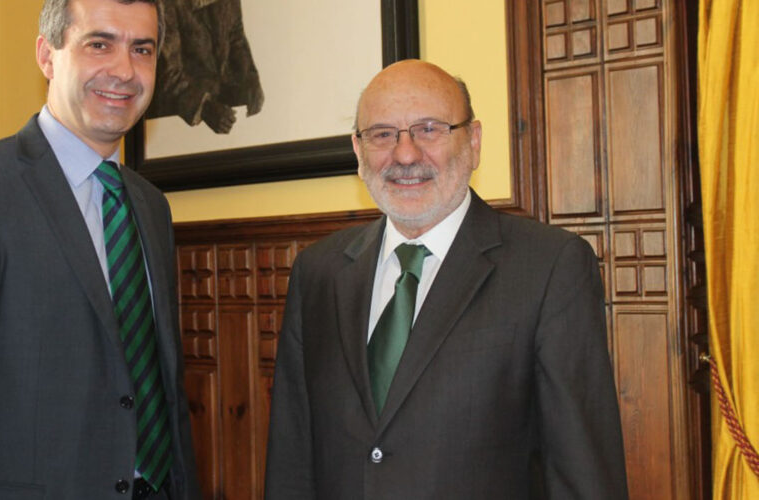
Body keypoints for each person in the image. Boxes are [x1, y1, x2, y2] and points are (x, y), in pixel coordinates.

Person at [264, 60, 628, 499]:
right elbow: (292, 458)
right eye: (382, 134)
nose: (405, 154)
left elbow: (582, 472)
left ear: (473, 142)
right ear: (358, 152)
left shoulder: (550, 267)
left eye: (429, 129)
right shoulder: (317, 272)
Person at [0, 0, 200, 498]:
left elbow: (162, 395)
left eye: (141, 49)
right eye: (99, 44)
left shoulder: (149, 206)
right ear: (47, 55)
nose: (124, 70)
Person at [146, 0, 264, 133]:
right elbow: (169, 74)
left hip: (223, 110)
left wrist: (250, 78)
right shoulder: (165, 4)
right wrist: (204, 107)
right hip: (176, 122)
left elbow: (236, 37)